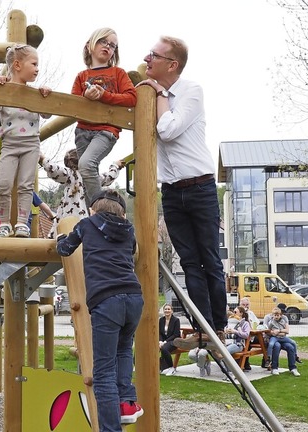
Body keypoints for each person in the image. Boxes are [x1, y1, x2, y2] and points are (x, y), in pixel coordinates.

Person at [137, 36, 227, 349]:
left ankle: (219, 326)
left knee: (210, 260)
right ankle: (202, 329)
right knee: (188, 263)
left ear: (172, 64)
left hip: (200, 186)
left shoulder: (190, 91)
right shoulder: (150, 93)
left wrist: (161, 94)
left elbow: (168, 130)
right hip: (172, 192)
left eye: (153, 55)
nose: (147, 59)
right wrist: (154, 92)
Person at [56, 189, 144, 430]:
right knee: (124, 349)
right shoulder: (129, 231)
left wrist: (59, 239)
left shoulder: (86, 224)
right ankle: (126, 402)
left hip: (107, 300)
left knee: (103, 371)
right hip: (134, 298)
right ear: (121, 213)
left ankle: (110, 429)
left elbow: (65, 249)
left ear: (94, 210)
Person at [0, 44, 52, 238]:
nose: (37, 68)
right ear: (17, 65)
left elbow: (47, 113)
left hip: (31, 144)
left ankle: (22, 223)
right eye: (34, 64)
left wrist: (45, 95)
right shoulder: (5, 89)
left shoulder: (35, 93)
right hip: (9, 144)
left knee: (25, 185)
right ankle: (4, 224)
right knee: (4, 184)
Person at [71, 28, 136, 205]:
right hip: (83, 130)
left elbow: (132, 97)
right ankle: (93, 217)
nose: (107, 47)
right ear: (90, 45)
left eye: (112, 45)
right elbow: (73, 103)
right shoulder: (81, 76)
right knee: (86, 174)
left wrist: (104, 95)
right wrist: (86, 97)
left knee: (86, 164)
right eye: (103, 42)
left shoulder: (118, 73)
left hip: (106, 130)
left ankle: (100, 210)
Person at [39, 149, 124, 238]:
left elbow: (53, 169)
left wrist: (42, 158)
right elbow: (108, 177)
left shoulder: (69, 175)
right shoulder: (91, 177)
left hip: (68, 218)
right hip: (84, 219)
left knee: (63, 236)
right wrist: (115, 165)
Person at [265, 307, 301, 376]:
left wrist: (278, 331)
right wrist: (273, 332)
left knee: (290, 346)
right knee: (277, 346)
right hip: (275, 338)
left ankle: (293, 367)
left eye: (278, 314)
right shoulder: (271, 320)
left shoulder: (284, 319)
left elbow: (287, 331)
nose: (276, 316)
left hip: (283, 338)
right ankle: (274, 367)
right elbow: (269, 331)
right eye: (275, 315)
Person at [159, 304, 180, 376]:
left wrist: (165, 342)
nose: (167, 311)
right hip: (163, 341)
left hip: (174, 341)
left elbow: (176, 334)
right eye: (165, 309)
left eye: (169, 309)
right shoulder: (161, 320)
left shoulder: (176, 320)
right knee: (154, 347)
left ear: (172, 311)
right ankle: (159, 367)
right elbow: (160, 333)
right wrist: (160, 341)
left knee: (164, 349)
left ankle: (171, 368)